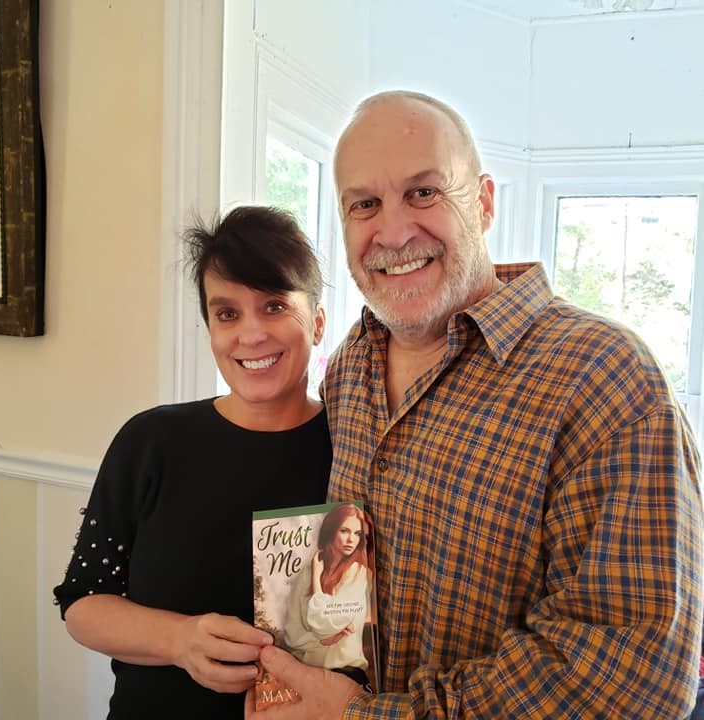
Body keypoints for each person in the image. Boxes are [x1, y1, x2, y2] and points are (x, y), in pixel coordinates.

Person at [245, 90, 703, 719]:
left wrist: (359, 717)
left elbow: (626, 688)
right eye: (365, 204)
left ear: (483, 202)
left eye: (424, 192)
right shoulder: (350, 366)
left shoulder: (607, 381)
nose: (395, 230)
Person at [53, 205, 331, 719]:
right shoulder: (151, 441)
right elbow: (83, 603)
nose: (250, 335)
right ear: (210, 330)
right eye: (227, 313)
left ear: (316, 322)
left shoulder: (353, 450)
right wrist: (180, 639)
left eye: (273, 306)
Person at [283, 503, 371, 676]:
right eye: (344, 531)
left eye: (357, 534)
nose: (351, 539)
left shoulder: (358, 573)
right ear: (331, 530)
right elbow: (292, 635)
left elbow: (323, 621)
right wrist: (324, 640)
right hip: (308, 673)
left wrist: (317, 579)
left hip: (346, 673)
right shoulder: (304, 575)